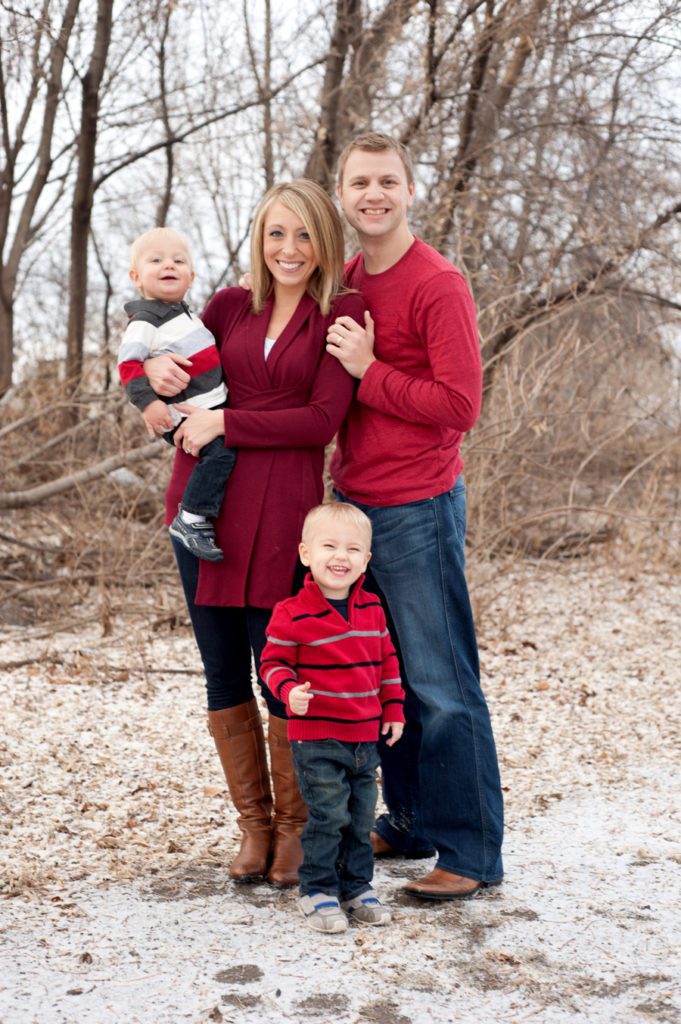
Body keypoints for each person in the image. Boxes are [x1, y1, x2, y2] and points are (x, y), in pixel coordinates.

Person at [142, 181, 367, 888]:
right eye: (276, 233)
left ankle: (296, 828)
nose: (288, 249)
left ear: (324, 242)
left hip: (281, 513)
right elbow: (169, 361)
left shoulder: (341, 312)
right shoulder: (226, 305)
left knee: (282, 669)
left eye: (303, 235)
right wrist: (149, 374)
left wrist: (228, 422)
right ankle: (254, 827)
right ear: (258, 239)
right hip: (202, 507)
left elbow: (321, 419)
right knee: (220, 668)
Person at [325, 132, 504, 899]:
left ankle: (471, 853)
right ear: (342, 192)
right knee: (384, 677)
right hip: (356, 507)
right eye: (360, 182)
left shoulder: (437, 283)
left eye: (386, 181)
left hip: (418, 507)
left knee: (440, 683)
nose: (373, 194)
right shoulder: (348, 277)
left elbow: (460, 406)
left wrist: (369, 371)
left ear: (408, 189)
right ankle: (410, 821)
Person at [260, 502, 405, 932]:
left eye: (353, 549)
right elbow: (272, 663)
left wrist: (394, 708)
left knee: (360, 820)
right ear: (306, 554)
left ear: (366, 560)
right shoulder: (292, 612)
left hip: (364, 738)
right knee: (328, 817)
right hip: (317, 738)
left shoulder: (373, 609)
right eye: (329, 546)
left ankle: (356, 887)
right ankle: (318, 889)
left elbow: (388, 663)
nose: (341, 556)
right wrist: (289, 691)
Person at [118, 227, 233, 561]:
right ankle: (192, 517)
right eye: (156, 260)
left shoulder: (185, 313)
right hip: (181, 414)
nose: (168, 265)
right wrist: (149, 404)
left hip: (209, 406)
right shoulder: (145, 320)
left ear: (191, 277)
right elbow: (128, 366)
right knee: (221, 455)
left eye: (178, 261)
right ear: (136, 277)